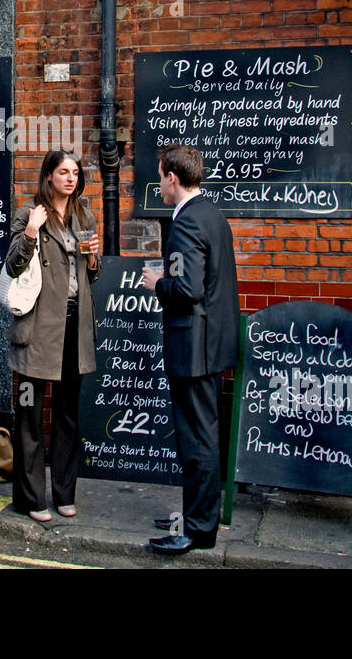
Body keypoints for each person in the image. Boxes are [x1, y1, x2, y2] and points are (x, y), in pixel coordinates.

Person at [141, 144, 239, 555]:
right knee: (203, 434)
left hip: (193, 347)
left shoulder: (184, 224)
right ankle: (196, 513)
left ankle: (198, 530)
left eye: (160, 175)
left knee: (196, 439)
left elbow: (187, 289)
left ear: (172, 178)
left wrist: (156, 283)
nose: (159, 184)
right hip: (211, 343)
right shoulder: (211, 215)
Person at [4, 150, 101, 522]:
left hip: (73, 328)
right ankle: (30, 499)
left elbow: (90, 276)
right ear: (48, 176)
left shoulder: (83, 214)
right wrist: (30, 232)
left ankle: (64, 494)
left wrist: (93, 259)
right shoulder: (29, 212)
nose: (71, 178)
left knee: (67, 416)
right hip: (38, 331)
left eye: (75, 172)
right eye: (63, 171)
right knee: (30, 415)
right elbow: (13, 264)